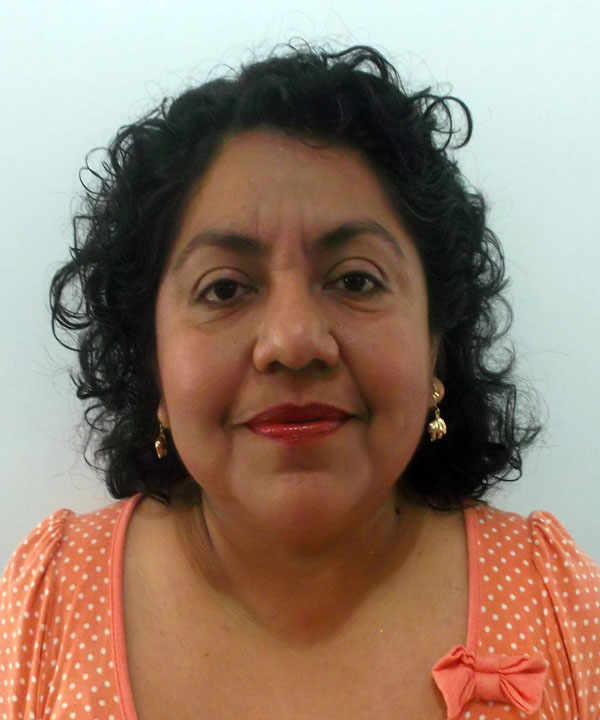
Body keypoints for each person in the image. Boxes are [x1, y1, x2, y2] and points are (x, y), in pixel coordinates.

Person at [1, 43, 599, 720]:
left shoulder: (558, 601)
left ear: (436, 339)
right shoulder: (45, 605)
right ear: (152, 359)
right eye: (225, 289)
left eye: (356, 281)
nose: (293, 342)